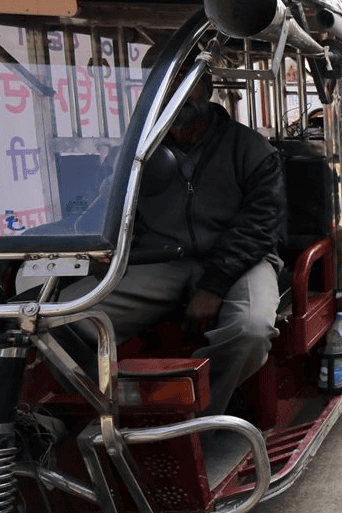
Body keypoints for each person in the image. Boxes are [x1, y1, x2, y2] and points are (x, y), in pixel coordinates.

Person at [63, 50, 285, 418]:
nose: (175, 90)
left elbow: (260, 225)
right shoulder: (137, 149)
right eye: (165, 80)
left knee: (251, 331)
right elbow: (104, 211)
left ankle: (198, 415)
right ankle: (109, 409)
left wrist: (213, 286)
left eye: (186, 78)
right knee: (62, 320)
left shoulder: (250, 148)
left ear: (207, 86)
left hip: (241, 261)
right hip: (161, 257)